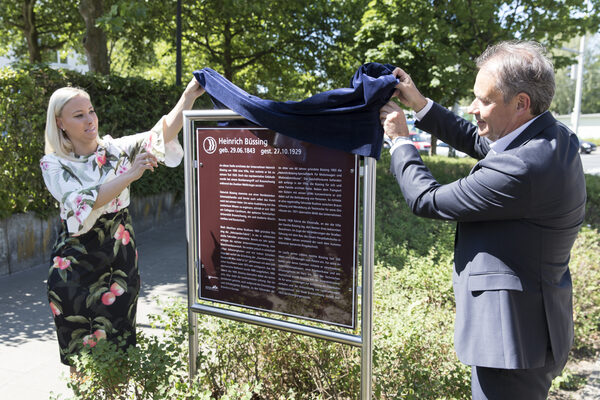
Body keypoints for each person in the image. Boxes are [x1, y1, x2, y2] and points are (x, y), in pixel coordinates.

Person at [379, 41, 586, 399]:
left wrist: (400, 142)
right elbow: (481, 141)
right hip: (534, 327)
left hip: (513, 342)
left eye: (484, 100)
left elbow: (426, 200)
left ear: (521, 103)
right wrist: (420, 103)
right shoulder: (554, 137)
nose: (473, 108)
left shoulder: (520, 168)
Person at [40, 79, 204, 374]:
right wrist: (130, 174)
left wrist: (188, 96)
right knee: (81, 364)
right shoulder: (53, 164)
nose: (90, 119)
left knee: (121, 355)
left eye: (90, 111)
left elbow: (161, 132)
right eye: (79, 115)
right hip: (74, 272)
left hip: (119, 266)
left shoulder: (116, 149)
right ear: (60, 122)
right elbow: (85, 202)